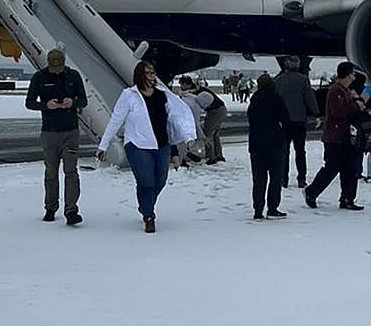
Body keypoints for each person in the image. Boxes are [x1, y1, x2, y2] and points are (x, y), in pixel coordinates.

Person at [96, 61, 196, 233]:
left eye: (153, 73)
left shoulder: (162, 95)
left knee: (160, 181)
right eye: (148, 73)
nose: (152, 76)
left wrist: (188, 136)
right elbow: (116, 120)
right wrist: (103, 145)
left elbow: (178, 117)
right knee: (146, 181)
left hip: (162, 145)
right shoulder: (129, 95)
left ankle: (145, 204)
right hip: (137, 145)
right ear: (140, 75)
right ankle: (149, 216)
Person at [25, 49, 88, 226]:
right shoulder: (40, 77)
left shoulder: (73, 76)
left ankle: (71, 209)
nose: (57, 70)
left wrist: (72, 102)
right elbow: (29, 102)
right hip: (49, 132)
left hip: (70, 131)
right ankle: (50, 207)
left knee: (71, 171)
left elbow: (84, 100)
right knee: (51, 172)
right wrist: (46, 105)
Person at [304, 62, 366, 211]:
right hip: (335, 137)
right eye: (352, 73)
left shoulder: (346, 90)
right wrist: (356, 106)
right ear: (347, 74)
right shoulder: (336, 91)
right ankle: (312, 191)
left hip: (346, 136)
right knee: (332, 168)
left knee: (349, 169)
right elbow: (337, 112)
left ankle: (347, 198)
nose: (354, 76)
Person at [248, 74, 290, 219]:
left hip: (256, 144)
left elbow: (251, 119)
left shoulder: (255, 99)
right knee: (275, 177)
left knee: (259, 179)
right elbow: (285, 118)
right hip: (275, 142)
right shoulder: (277, 99)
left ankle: (258, 209)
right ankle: (273, 207)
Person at [274, 56, 319, 188]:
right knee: (300, 151)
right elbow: (309, 98)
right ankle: (301, 178)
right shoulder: (303, 80)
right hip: (299, 120)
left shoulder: (278, 80)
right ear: (298, 65)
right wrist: (316, 113)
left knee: (284, 151)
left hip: (284, 121)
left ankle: (283, 179)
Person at [179, 75, 228, 165]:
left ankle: (212, 157)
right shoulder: (198, 90)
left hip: (215, 111)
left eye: (183, 84)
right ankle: (218, 155)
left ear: (188, 84)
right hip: (221, 109)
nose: (181, 87)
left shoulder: (195, 93)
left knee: (208, 133)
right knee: (215, 134)